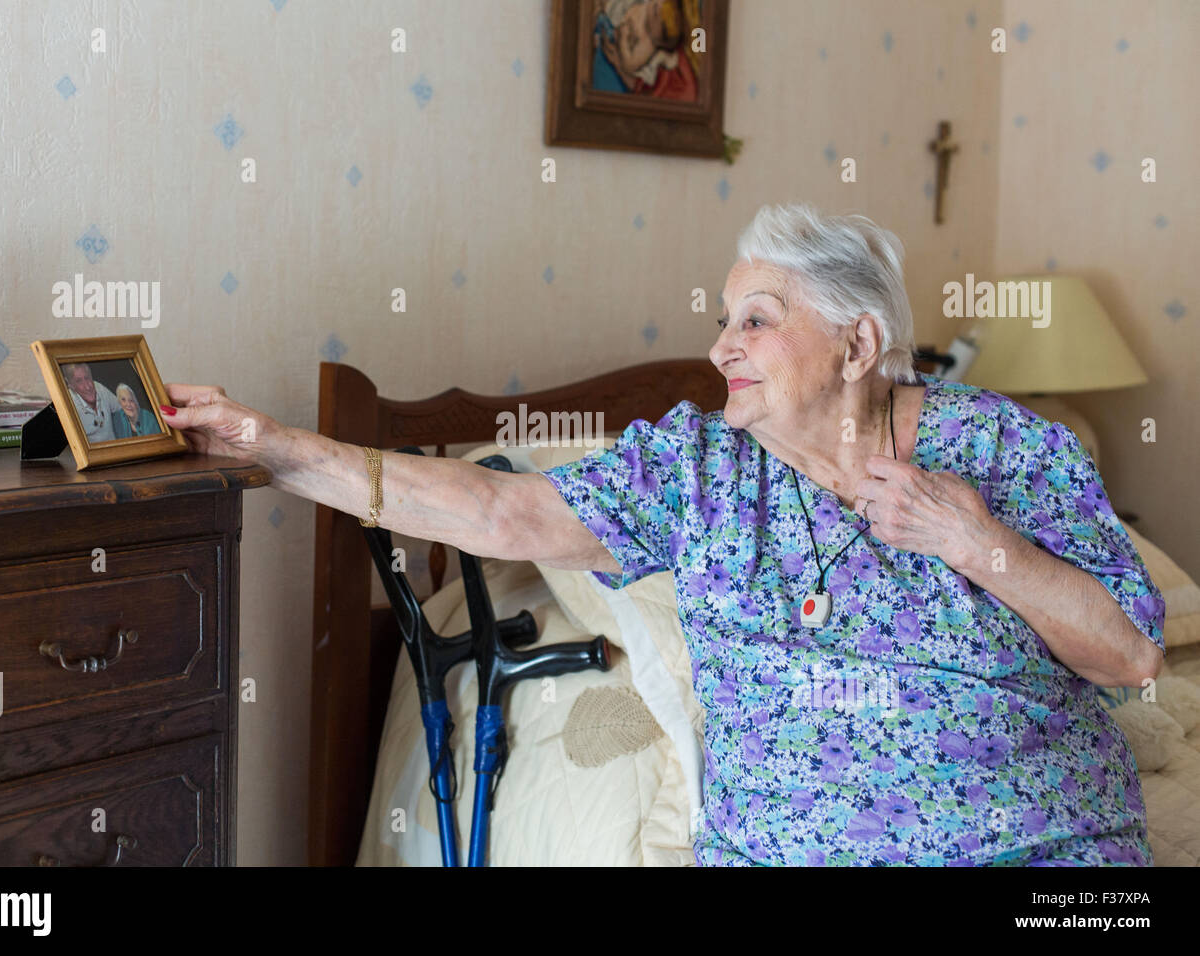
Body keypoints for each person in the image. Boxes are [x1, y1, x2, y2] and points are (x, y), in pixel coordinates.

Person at [160, 202, 1165, 867]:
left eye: (756, 319)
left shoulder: (1003, 446)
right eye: (724, 317)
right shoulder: (698, 470)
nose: (720, 345)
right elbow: (498, 509)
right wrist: (276, 446)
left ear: (858, 343)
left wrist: (977, 539)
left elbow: (1128, 651)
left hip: (1044, 851)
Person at [64, 362, 123, 443]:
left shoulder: (99, 388)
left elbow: (122, 409)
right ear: (70, 384)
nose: (88, 387)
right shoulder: (68, 405)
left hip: (116, 449)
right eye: (79, 381)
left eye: (87, 378)